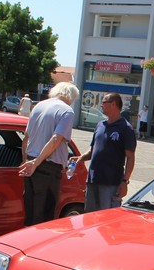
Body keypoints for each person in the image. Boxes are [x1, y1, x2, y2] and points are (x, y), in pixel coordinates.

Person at [19, 82, 78, 226]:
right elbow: (56, 139)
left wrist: (27, 161)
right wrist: (36, 162)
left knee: (31, 211)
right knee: (45, 215)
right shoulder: (67, 111)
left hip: (32, 161)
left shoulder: (39, 106)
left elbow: (26, 138)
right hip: (47, 166)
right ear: (70, 97)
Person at [71, 93, 137, 212]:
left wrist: (125, 182)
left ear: (113, 104)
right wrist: (80, 158)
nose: (101, 105)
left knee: (106, 217)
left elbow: (130, 157)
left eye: (104, 102)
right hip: (93, 180)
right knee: (90, 217)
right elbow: (93, 150)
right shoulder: (100, 125)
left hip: (111, 183)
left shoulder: (126, 128)